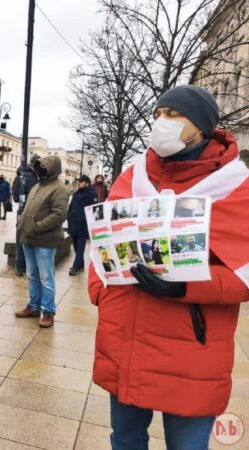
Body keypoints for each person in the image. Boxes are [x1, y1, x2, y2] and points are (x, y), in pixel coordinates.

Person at [88, 84, 249, 450]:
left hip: (190, 352)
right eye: (158, 114)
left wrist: (184, 287)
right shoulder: (134, 176)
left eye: (173, 115)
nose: (162, 122)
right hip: (125, 340)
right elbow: (102, 243)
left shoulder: (236, 187)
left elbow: (244, 278)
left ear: (202, 126)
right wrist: (100, 292)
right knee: (125, 440)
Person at [15, 157, 69, 328]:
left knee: (46, 277)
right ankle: (34, 306)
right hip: (28, 237)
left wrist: (36, 227)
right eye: (38, 167)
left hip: (45, 240)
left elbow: (59, 215)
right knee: (32, 275)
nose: (40, 170)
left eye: (43, 167)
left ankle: (48, 311)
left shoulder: (60, 189)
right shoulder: (37, 186)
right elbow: (27, 208)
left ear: (51, 169)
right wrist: (22, 224)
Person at [67, 175, 98, 276]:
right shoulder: (76, 194)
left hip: (83, 225)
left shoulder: (91, 194)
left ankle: (75, 266)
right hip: (73, 224)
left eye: (81, 182)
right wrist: (69, 216)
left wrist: (84, 219)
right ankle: (80, 265)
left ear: (86, 183)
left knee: (80, 247)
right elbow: (71, 206)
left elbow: (92, 209)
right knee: (76, 246)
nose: (79, 183)